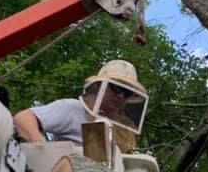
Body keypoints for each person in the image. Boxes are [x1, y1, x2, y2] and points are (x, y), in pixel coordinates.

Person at [13, 59, 148, 153]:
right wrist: (44, 152)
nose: (121, 96)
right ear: (100, 85)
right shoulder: (72, 108)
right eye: (117, 88)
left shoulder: (121, 130)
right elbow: (23, 118)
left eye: (127, 93)